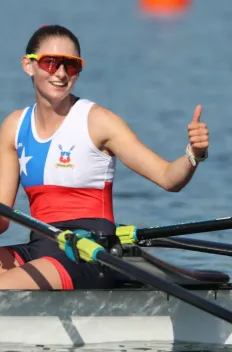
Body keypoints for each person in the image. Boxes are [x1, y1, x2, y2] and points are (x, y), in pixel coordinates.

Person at [0, 25, 210, 290]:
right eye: (51, 63)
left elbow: (169, 178)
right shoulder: (14, 126)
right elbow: (2, 220)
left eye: (71, 66)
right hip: (40, 249)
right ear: (28, 65)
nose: (62, 73)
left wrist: (194, 153)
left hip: (90, 256)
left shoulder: (98, 122)